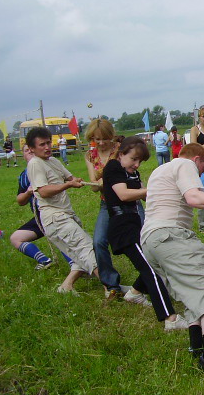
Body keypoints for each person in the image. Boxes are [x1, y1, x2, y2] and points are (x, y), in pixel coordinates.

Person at [140, 143, 204, 375]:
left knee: (188, 292)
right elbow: (195, 198)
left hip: (150, 240)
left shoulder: (159, 171)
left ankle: (196, 347)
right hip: (171, 235)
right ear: (197, 159)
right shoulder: (185, 164)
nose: (200, 175)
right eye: (202, 169)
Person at [102, 136, 188, 330]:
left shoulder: (132, 173)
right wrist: (152, 190)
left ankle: (134, 293)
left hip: (135, 224)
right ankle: (170, 318)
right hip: (122, 228)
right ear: (122, 153)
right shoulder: (113, 168)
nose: (137, 164)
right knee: (150, 269)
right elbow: (123, 194)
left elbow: (146, 195)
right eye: (133, 159)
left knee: (156, 262)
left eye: (140, 161)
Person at [26, 127, 101, 293]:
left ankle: (66, 286)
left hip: (65, 215)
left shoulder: (53, 161)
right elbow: (43, 191)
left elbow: (70, 178)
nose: (47, 147)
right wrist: (68, 184)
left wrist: (82, 180)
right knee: (86, 248)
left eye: (48, 143)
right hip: (54, 218)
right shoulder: (35, 164)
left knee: (78, 255)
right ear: (31, 148)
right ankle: (110, 287)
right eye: (41, 145)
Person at [84, 119, 133, 299]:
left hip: (128, 200)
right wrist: (104, 181)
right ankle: (112, 284)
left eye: (105, 138)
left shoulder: (120, 150)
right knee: (98, 242)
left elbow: (129, 173)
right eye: (97, 139)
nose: (102, 143)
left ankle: (157, 276)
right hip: (107, 203)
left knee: (144, 237)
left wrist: (104, 180)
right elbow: (94, 187)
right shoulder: (90, 156)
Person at [10, 144, 55, 269]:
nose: (30, 153)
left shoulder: (49, 168)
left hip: (55, 214)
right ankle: (44, 260)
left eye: (32, 150)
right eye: (26, 151)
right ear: (23, 155)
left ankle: (78, 266)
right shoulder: (24, 175)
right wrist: (28, 192)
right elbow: (20, 201)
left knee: (59, 238)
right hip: (39, 217)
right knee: (16, 238)